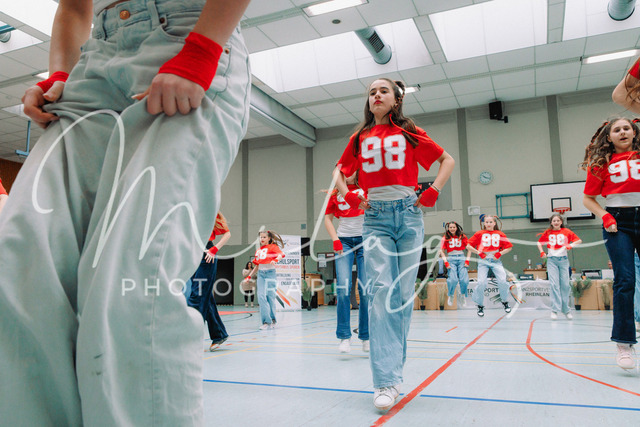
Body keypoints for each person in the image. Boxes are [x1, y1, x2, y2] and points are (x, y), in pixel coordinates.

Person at [0, 0, 252, 424]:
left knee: (132, 283)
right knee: (17, 265)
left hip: (186, 31)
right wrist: (60, 75)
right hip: (93, 64)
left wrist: (203, 47)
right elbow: (73, 6)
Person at [333, 78, 454, 411]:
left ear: (396, 100)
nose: (376, 95)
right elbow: (339, 172)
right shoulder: (360, 137)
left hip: (409, 216)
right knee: (381, 293)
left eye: (383, 90)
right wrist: (349, 195)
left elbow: (447, 160)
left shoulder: (410, 132)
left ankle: (393, 373)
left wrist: (434, 190)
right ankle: (385, 381)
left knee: (401, 297)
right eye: (372, 92)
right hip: (375, 219)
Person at [582, 117, 640, 371]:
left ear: (634, 131)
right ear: (609, 137)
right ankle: (624, 344)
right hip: (618, 222)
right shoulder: (600, 164)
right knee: (625, 280)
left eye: (627, 128)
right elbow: (588, 198)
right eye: (617, 129)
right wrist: (605, 216)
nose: (622, 132)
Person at [324, 172, 369, 353]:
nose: (347, 175)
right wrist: (335, 239)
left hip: (365, 241)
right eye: (343, 172)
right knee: (343, 288)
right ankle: (344, 336)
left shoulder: (366, 189)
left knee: (365, 290)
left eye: (351, 171)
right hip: (344, 241)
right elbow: (327, 218)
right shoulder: (335, 194)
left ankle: (366, 336)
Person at [187, 212, 231, 351]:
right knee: (206, 297)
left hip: (206, 255)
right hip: (191, 254)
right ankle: (219, 334)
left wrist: (214, 249)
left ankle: (191, 339)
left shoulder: (209, 209)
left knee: (197, 295)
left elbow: (227, 233)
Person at [537, 213, 582, 320]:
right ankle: (554, 310)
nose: (556, 222)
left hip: (563, 261)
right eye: (554, 221)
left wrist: (570, 245)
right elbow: (539, 243)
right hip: (551, 261)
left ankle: (566, 310)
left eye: (558, 220)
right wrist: (542, 252)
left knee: (565, 285)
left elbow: (579, 240)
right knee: (554, 285)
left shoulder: (566, 231)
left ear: (561, 222)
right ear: (551, 222)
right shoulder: (548, 232)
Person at [467, 215, 513, 317]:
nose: (488, 224)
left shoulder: (500, 234)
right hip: (483, 261)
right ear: (484, 223)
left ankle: (505, 301)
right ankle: (480, 305)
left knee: (503, 281)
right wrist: (479, 253)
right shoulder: (479, 233)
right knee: (481, 283)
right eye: (486, 222)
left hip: (496, 261)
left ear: (494, 223)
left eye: (490, 222)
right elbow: (468, 246)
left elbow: (509, 247)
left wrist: (500, 253)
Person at [245, 230, 285, 330]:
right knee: (261, 297)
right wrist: (249, 276)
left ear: (269, 238)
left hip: (270, 274)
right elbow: (257, 266)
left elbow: (281, 255)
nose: (262, 239)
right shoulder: (258, 251)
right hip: (261, 275)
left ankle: (273, 319)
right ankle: (266, 322)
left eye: (264, 237)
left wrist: (276, 260)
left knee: (270, 297)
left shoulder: (273, 247)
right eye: (261, 237)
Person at [439, 221, 471, 307]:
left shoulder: (462, 236)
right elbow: (441, 251)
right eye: (450, 227)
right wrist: (446, 262)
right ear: (448, 228)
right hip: (451, 259)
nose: (452, 229)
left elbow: (469, 249)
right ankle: (451, 295)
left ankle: (463, 295)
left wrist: (467, 260)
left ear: (456, 228)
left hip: (461, 258)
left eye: (454, 227)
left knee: (464, 280)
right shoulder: (445, 238)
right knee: (453, 280)